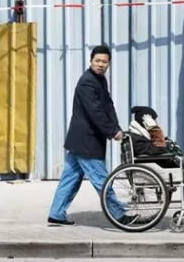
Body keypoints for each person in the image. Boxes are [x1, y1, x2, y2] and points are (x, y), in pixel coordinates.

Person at [48, 45, 134, 226]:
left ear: (108, 64)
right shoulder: (87, 82)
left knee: (70, 179)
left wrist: (116, 127)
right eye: (98, 61)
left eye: (105, 62)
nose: (101, 64)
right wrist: (112, 132)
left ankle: (56, 214)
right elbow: (95, 112)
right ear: (90, 61)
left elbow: (108, 106)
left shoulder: (100, 80)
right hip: (86, 140)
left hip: (81, 140)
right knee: (102, 179)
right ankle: (118, 215)